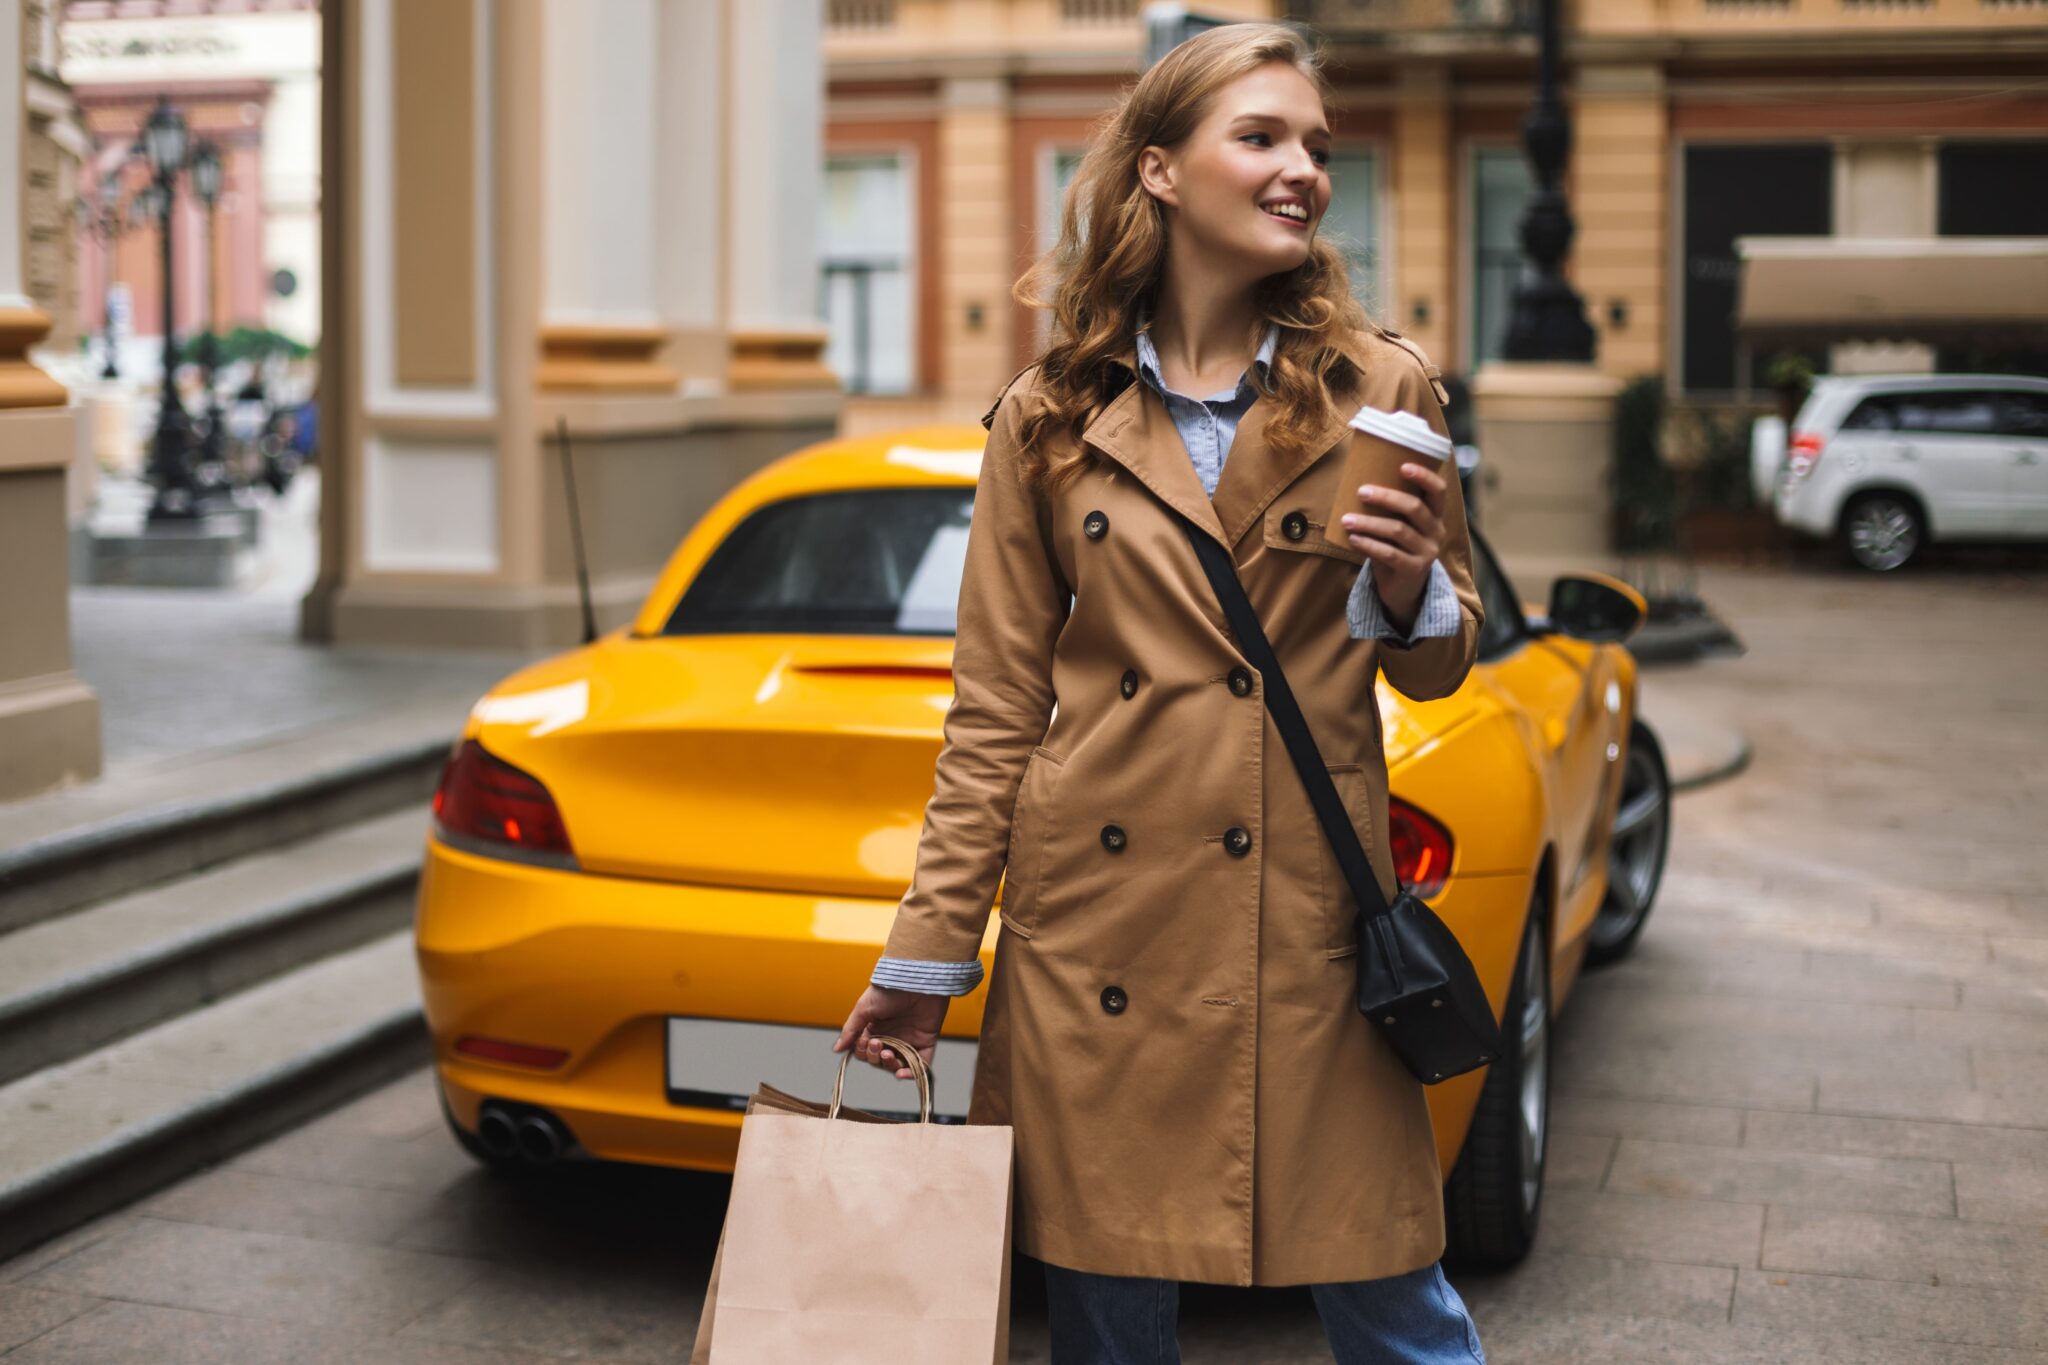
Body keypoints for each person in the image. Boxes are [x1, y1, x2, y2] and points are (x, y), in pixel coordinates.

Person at [833, 22, 1487, 1365]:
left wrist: (1421, 587)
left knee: (1396, 1306)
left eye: (1314, 141)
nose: (1303, 166)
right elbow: (996, 712)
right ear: (1163, 173)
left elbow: (1438, 658)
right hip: (1101, 942)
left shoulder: (1384, 388)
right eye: (1261, 137)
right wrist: (925, 957)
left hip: (1305, 926)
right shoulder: (1048, 414)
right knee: (1109, 1326)